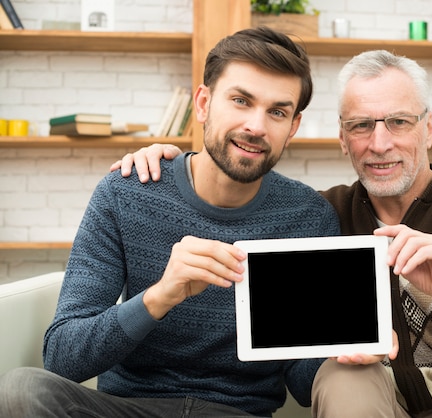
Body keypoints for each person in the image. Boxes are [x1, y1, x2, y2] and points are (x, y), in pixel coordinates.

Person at [117, 49, 432, 417]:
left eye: (398, 122)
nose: (380, 142)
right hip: (376, 402)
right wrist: (175, 160)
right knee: (347, 377)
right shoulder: (319, 216)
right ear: (342, 139)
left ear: (429, 128)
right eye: (362, 125)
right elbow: (231, 198)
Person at [0, 26, 343, 417]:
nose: (257, 126)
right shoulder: (127, 192)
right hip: (128, 408)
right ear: (203, 104)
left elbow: (303, 383)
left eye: (277, 112)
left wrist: (344, 351)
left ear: (293, 127)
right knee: (22, 389)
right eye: (241, 101)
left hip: (236, 413)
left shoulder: (307, 217)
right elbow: (62, 358)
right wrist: (159, 296)